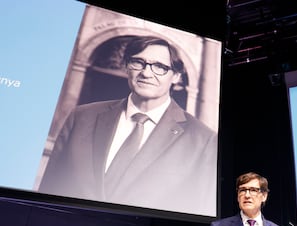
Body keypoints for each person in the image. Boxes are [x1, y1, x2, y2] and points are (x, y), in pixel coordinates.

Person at [38, 36, 217, 216]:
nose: (146, 73)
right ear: (126, 67)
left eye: (160, 67)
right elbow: (49, 189)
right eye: (138, 63)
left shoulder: (203, 141)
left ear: (176, 76)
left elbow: (198, 209)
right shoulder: (82, 117)